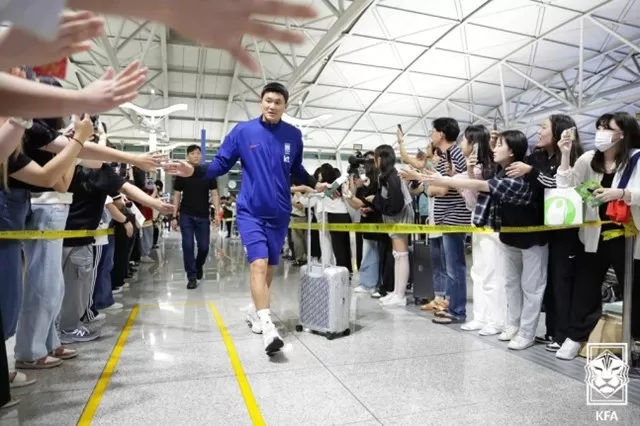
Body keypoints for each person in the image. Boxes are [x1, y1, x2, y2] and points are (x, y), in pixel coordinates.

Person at [163, 82, 326, 355]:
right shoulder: (243, 131)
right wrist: (193, 170)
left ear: (286, 106)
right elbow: (220, 164)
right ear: (261, 102)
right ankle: (268, 327)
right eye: (268, 100)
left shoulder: (293, 136)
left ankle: (254, 311)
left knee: (270, 267)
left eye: (278, 102)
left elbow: (296, 169)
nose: (272, 106)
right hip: (250, 211)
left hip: (280, 213)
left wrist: (313, 183)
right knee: (258, 265)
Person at [171, 144, 220, 289]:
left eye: (198, 153)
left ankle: (198, 266)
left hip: (203, 215)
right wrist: (174, 216)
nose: (196, 156)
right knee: (188, 246)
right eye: (193, 153)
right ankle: (191, 276)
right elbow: (177, 195)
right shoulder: (182, 173)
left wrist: (217, 212)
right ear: (188, 156)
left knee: (204, 247)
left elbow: (215, 193)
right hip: (186, 215)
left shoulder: (208, 172)